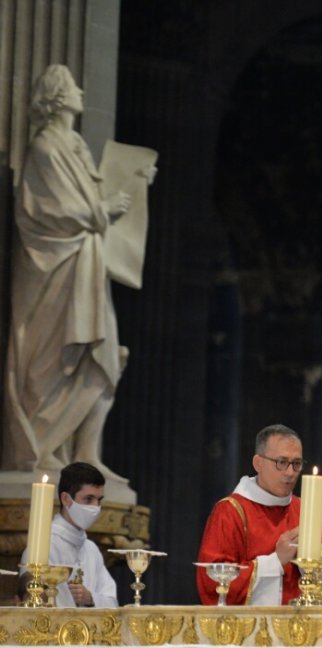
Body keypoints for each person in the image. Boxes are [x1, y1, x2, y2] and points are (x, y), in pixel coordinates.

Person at [2, 64, 153, 479]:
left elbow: (103, 191)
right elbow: (47, 210)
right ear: (56, 97)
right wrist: (102, 210)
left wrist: (137, 180)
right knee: (54, 362)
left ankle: (86, 454)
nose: (81, 91)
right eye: (71, 86)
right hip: (56, 271)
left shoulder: (75, 147)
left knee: (104, 358)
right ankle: (44, 448)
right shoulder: (46, 148)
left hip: (86, 268)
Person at [195, 424, 322, 605]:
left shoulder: (307, 513)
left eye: (296, 464)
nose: (290, 472)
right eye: (281, 462)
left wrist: (317, 569)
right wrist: (275, 561)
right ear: (258, 463)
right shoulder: (230, 512)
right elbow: (212, 583)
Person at [18, 462, 118, 608]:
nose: (95, 507)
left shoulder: (91, 549)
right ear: (66, 499)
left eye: (99, 500)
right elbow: (33, 602)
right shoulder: (43, 545)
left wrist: (89, 598)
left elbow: (112, 602)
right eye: (88, 499)